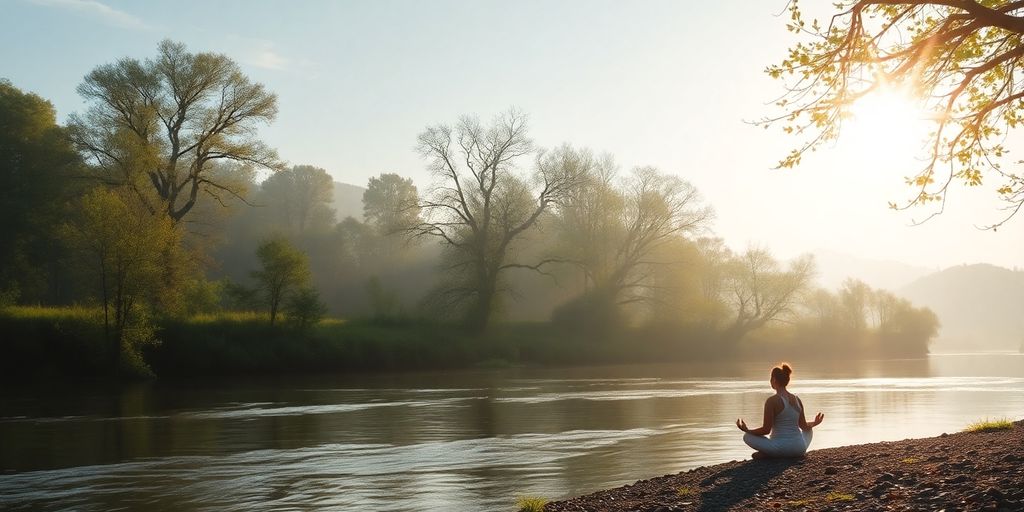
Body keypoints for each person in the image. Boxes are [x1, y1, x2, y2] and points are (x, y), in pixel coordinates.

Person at [735, 362, 823, 459]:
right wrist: (815, 423)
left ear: (774, 380)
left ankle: (769, 454)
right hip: (799, 449)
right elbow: (804, 426)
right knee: (809, 430)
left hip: (780, 448)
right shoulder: (797, 399)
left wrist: (747, 430)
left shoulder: (771, 401)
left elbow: (766, 430)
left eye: (770, 379)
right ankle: (772, 453)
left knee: (747, 437)